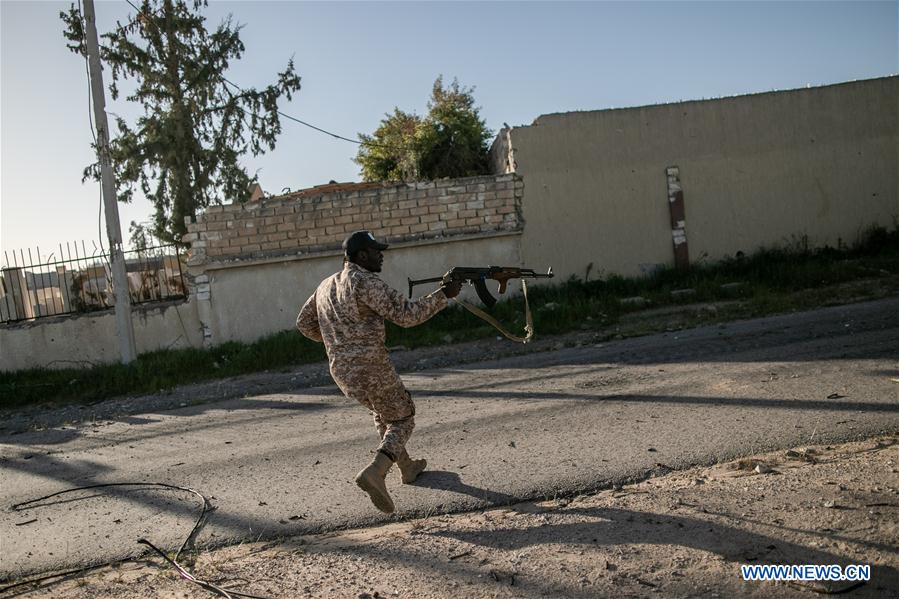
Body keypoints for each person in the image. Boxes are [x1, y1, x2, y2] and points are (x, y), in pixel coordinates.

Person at [296, 230, 462, 513]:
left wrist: (340, 341)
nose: (381, 256)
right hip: (371, 367)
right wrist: (443, 295)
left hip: (342, 371)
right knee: (403, 418)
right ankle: (376, 471)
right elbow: (407, 315)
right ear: (362, 256)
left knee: (382, 411)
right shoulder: (365, 281)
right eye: (376, 251)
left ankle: (406, 466)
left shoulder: (325, 286)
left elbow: (304, 323)